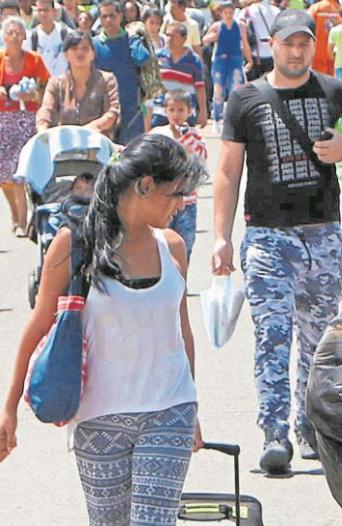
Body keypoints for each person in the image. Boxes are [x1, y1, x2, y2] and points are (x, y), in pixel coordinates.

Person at [211, 9, 342, 475]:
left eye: (304, 42)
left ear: (315, 45)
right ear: (272, 44)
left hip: (322, 235)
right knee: (272, 335)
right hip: (268, 236)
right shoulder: (246, 99)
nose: (297, 51)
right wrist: (220, 238)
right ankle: (274, 432)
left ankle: (310, 425)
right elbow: (228, 172)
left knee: (319, 337)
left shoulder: (335, 92)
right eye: (288, 43)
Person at [0, 134, 206, 525]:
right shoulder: (75, 245)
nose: (181, 205)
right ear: (145, 186)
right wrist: (8, 409)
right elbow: (37, 325)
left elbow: (180, 331)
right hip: (98, 419)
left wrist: (192, 405)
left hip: (169, 411)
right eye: (176, 194)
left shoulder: (173, 247)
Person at [0, 16, 50, 237]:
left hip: (28, 119)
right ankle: (15, 213)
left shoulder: (35, 60)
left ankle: (22, 221)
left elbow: (47, 89)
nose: (15, 36)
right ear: (3, 36)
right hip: (4, 120)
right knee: (5, 175)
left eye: (19, 33)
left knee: (20, 173)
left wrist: (33, 94)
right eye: (10, 32)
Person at [150, 88, 207, 260]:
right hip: (161, 199)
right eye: (172, 110)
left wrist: (187, 136)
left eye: (181, 110)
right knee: (159, 243)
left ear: (189, 111)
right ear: (165, 111)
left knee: (185, 243)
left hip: (187, 201)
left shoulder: (194, 136)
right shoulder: (158, 134)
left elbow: (202, 157)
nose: (176, 114)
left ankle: (182, 281)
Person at [36, 31, 120, 138]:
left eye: (85, 48)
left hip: (97, 143)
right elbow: (46, 110)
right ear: (66, 55)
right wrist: (42, 131)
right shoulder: (55, 83)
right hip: (64, 143)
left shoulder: (107, 80)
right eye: (74, 48)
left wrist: (87, 130)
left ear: (93, 54)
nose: (80, 52)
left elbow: (112, 113)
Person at [93, 0, 151, 145]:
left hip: (131, 107)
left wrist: (132, 39)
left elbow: (142, 58)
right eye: (104, 16)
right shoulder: (94, 44)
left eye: (112, 15)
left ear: (120, 16)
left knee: (132, 154)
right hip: (104, 109)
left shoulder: (131, 40)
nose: (108, 20)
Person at [203, 0, 252, 133]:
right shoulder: (217, 26)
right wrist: (212, 37)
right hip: (220, 60)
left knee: (235, 89)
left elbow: (245, 44)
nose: (229, 15)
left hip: (235, 60)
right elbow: (204, 40)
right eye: (226, 12)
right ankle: (217, 119)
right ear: (221, 13)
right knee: (218, 89)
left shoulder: (240, 26)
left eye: (230, 12)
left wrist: (250, 60)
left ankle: (233, 118)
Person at [152, 21, 207, 130]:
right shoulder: (158, 56)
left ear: (184, 38)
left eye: (173, 36)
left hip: (184, 113)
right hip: (161, 111)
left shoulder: (193, 60)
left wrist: (203, 111)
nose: (168, 39)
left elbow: (200, 87)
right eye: (167, 35)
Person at [23, 0, 72, 77]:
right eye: (40, 10)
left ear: (53, 11)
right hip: (41, 85)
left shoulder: (66, 33)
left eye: (46, 10)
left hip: (64, 84)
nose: (43, 14)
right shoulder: (31, 36)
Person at [240, 0, 279, 80]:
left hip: (255, 57)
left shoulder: (246, 12)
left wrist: (249, 61)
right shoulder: (276, 11)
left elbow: (244, 41)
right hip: (273, 55)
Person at [307, 0, 340, 76]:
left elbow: (306, 22)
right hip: (333, 50)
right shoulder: (338, 8)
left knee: (319, 79)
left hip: (318, 50)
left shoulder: (316, 7)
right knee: (331, 80)